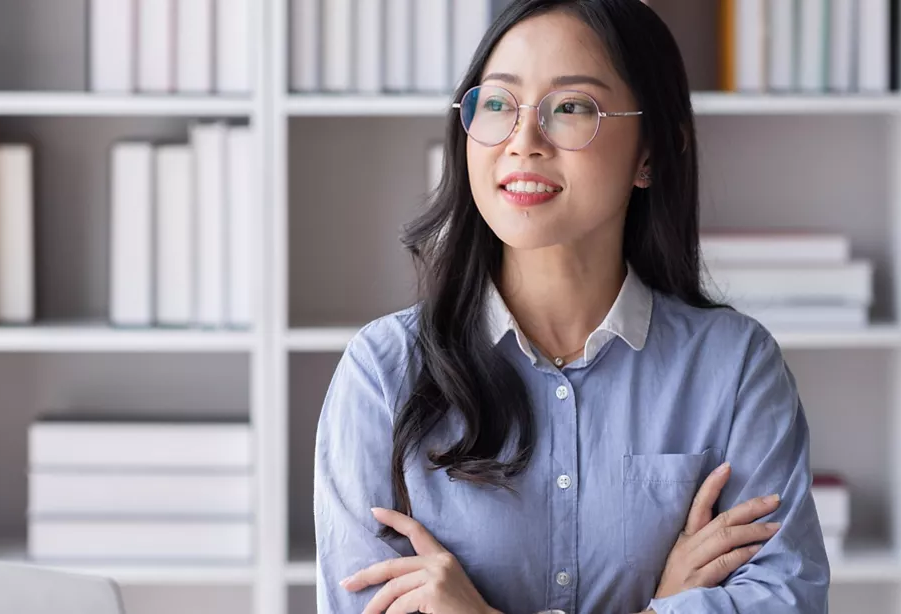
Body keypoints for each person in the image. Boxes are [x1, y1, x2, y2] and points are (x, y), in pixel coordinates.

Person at [312, 1, 831, 613]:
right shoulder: (383, 373)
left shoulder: (735, 367)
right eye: (499, 104)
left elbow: (783, 602)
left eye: (571, 108)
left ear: (651, 153)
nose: (523, 142)